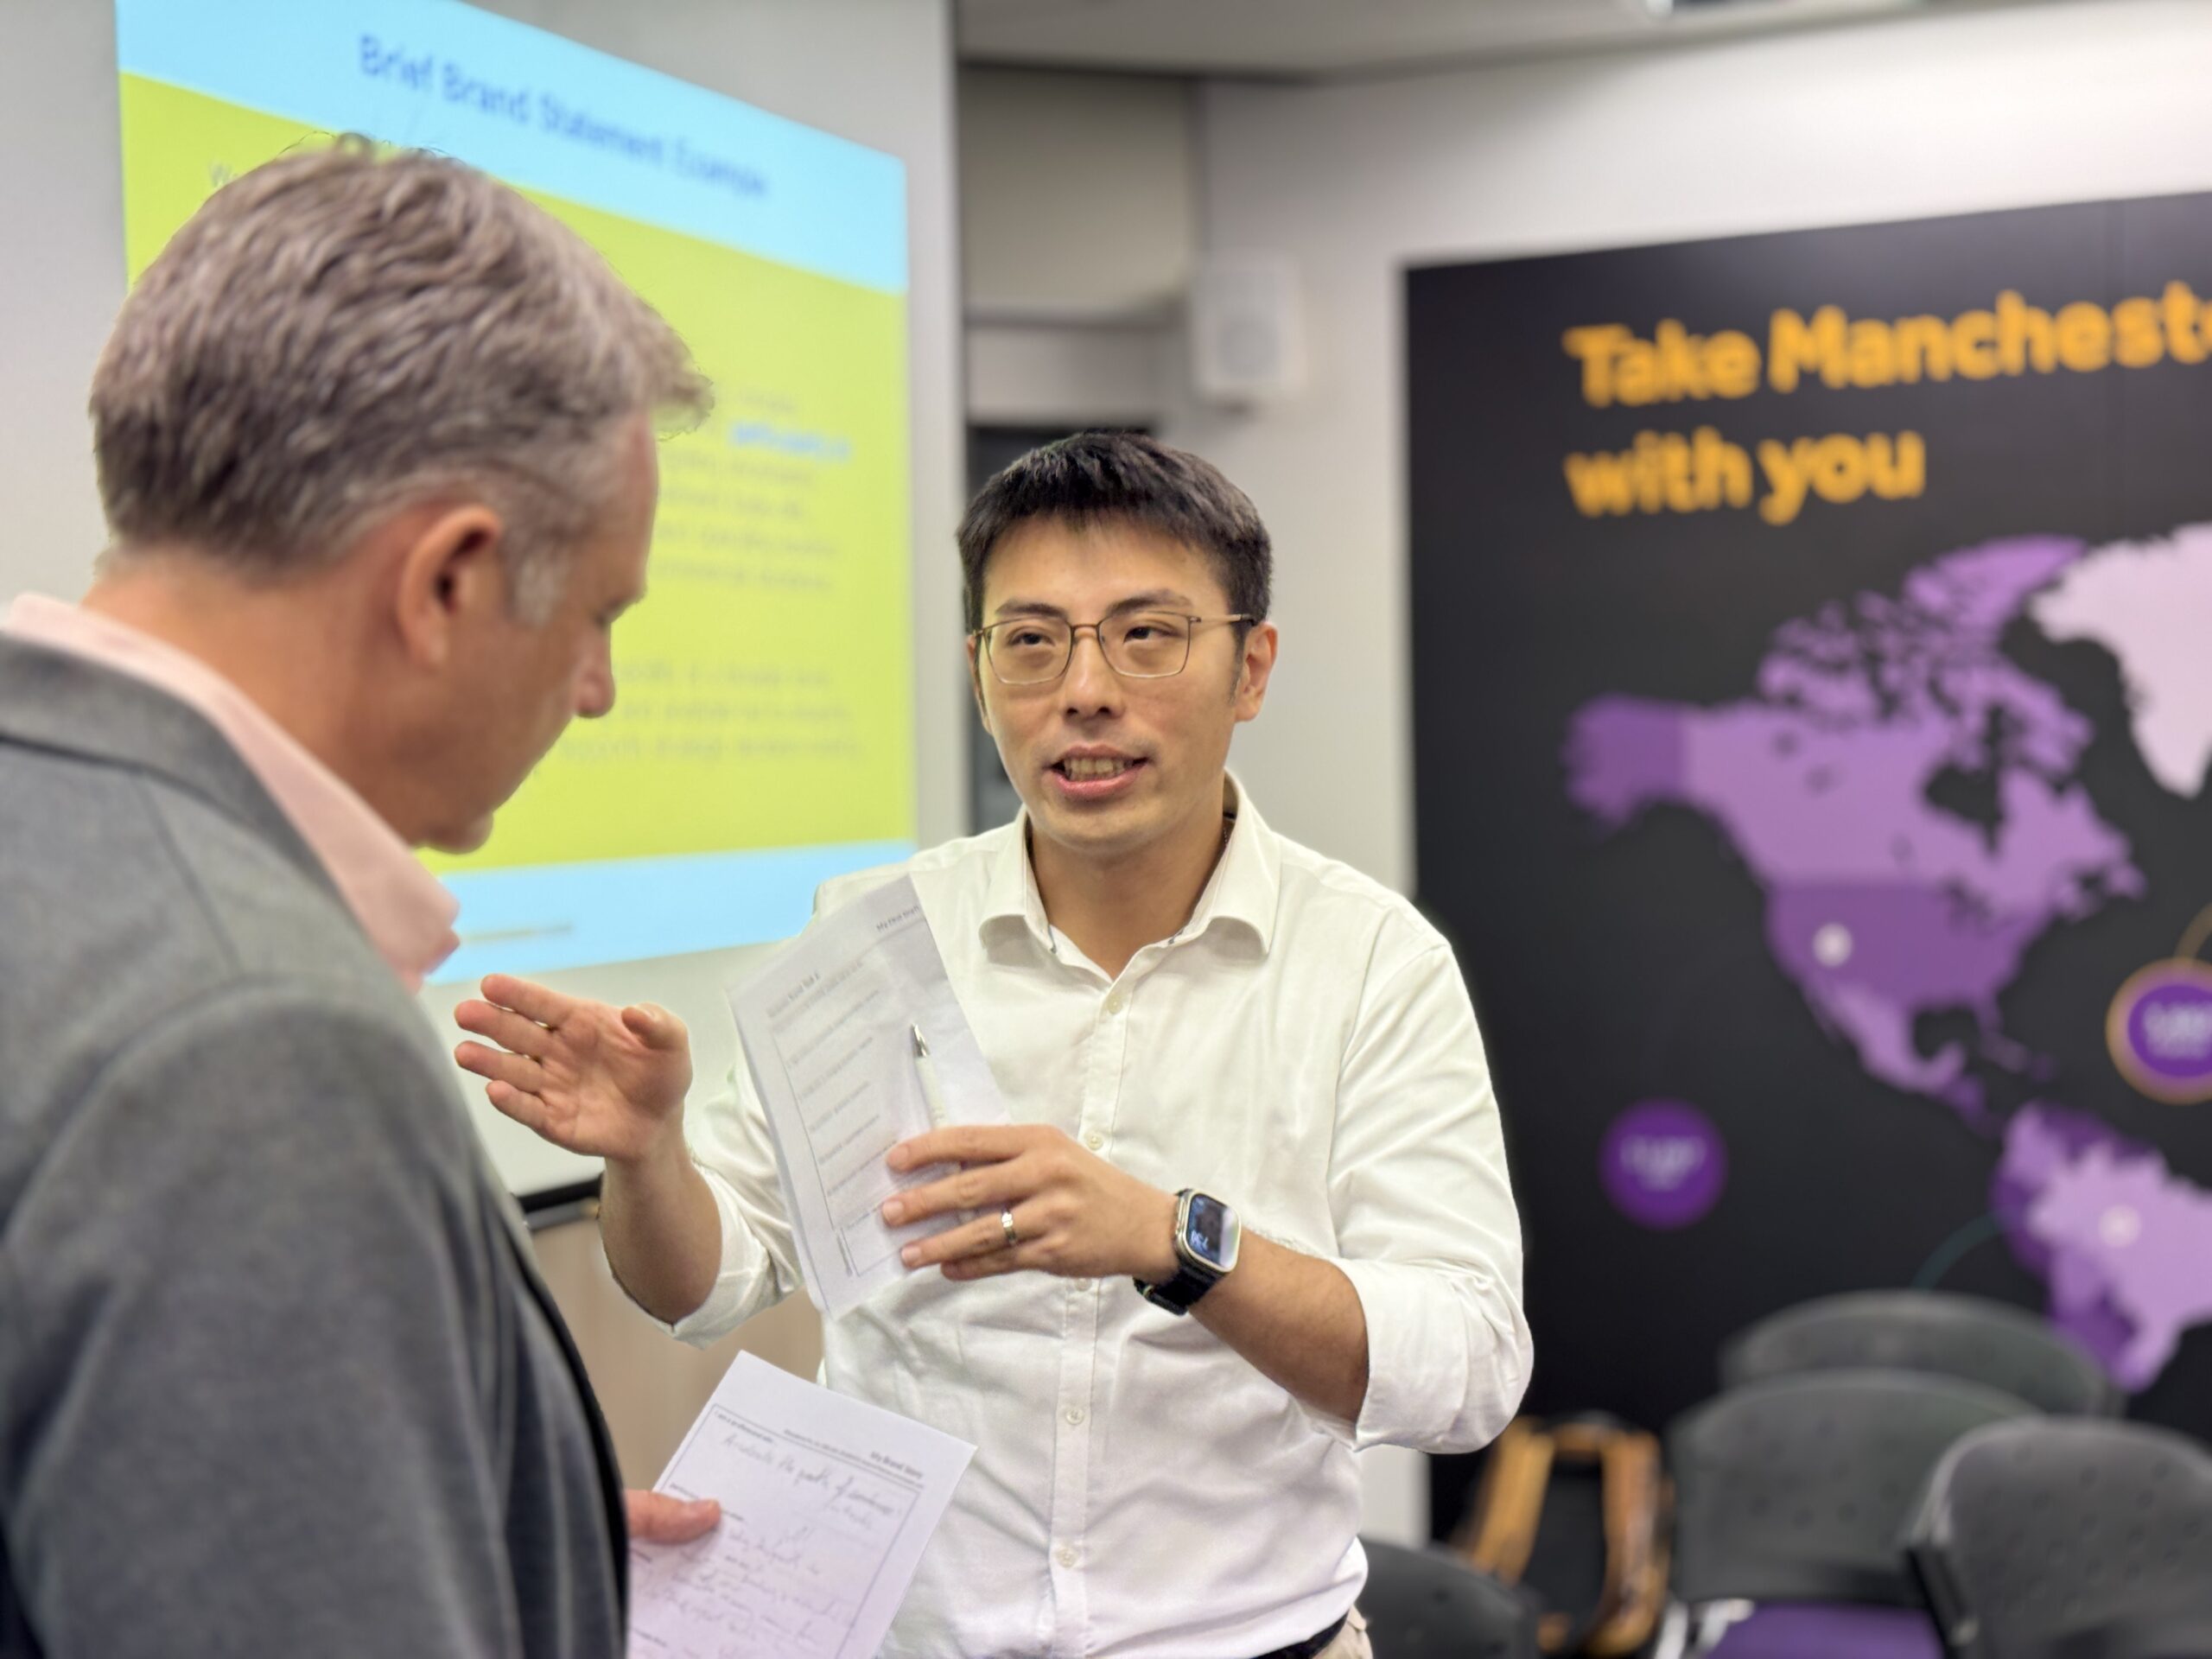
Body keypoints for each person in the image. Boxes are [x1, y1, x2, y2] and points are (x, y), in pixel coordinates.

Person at [457, 432, 1533, 1658]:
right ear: (979, 676)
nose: (1086, 691)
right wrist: (647, 1156)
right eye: (1032, 640)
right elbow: (704, 1286)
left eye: (1147, 634)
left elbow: (1467, 1369)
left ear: (1251, 668)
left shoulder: (1373, 962)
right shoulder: (874, 933)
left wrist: (1170, 1240)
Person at [0, 141, 721, 1659]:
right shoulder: (252, 1045)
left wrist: (487, 1540)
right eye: (597, 614)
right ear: (447, 582)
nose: (596, 690)